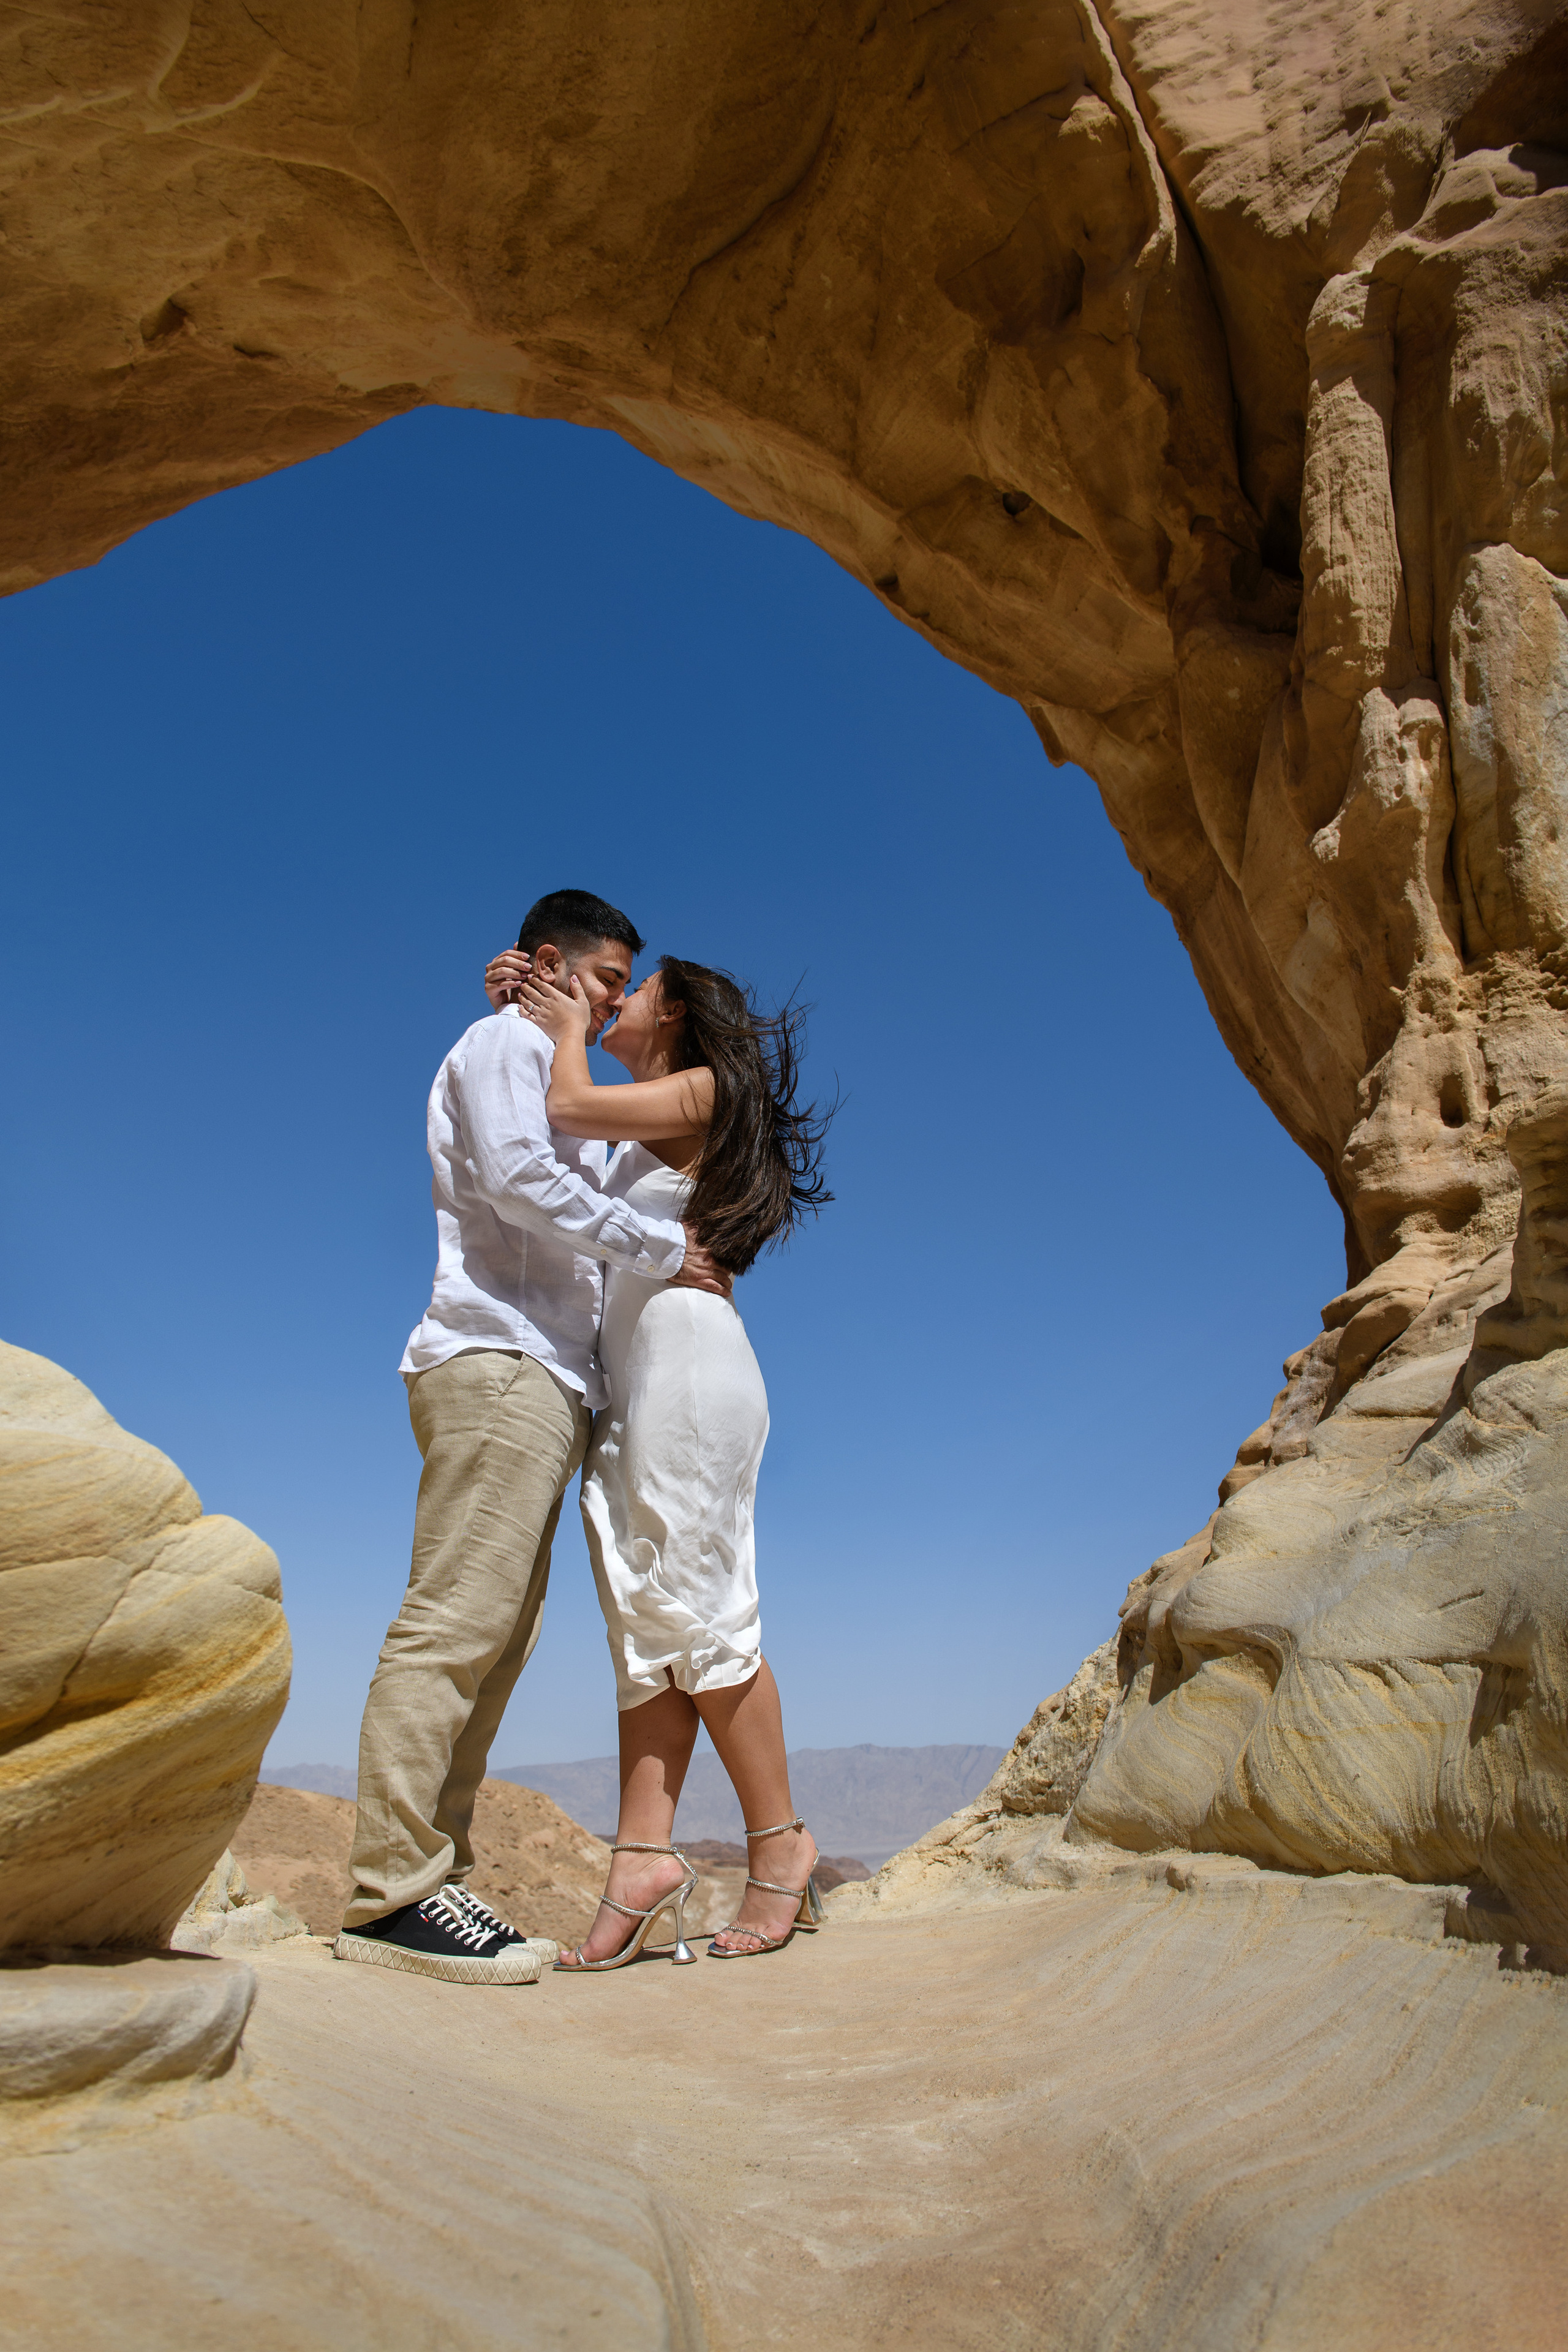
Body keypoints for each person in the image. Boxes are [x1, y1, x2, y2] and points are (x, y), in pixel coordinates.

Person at [334, 889, 733, 1986]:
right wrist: (656, 1249)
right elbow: (517, 1178)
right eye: (604, 982)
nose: (607, 1009)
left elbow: (570, 1159)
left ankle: (432, 1882)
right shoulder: (504, 1038)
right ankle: (390, 1895)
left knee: (497, 1641)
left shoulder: (546, 1049)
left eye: (620, 992)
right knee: (456, 1626)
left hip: (539, 1380)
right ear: (552, 963)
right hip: (500, 1361)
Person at [481, 938, 833, 1964]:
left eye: (632, 989)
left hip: (686, 1367)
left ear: (674, 1012)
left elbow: (565, 1108)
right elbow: (546, 1150)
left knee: (706, 1606)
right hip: (637, 1380)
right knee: (646, 1623)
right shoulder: (638, 1130)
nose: (617, 999)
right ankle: (642, 1857)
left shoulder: (701, 1089)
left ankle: (781, 1847)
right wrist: (519, 1009)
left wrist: (560, 1028)